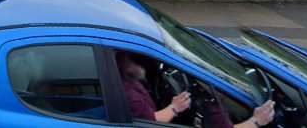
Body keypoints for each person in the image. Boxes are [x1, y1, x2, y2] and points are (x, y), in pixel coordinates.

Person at [117, 52, 275, 128]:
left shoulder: (125, 80)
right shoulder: (129, 93)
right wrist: (256, 121)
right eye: (131, 60)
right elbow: (151, 120)